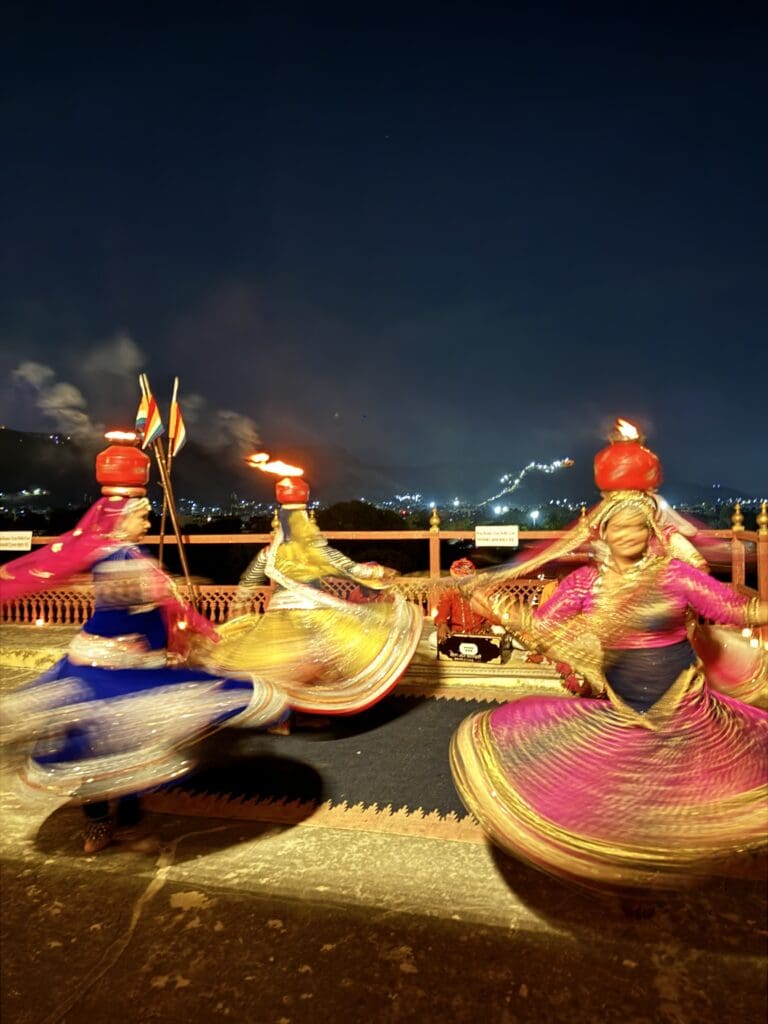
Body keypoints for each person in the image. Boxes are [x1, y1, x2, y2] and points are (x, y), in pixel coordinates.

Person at [451, 429, 768, 891]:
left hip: (686, 706)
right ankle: (636, 877)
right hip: (624, 708)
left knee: (686, 794)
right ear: (602, 531)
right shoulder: (583, 584)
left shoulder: (674, 574)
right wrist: (491, 605)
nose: (628, 535)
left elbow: (733, 608)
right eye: (618, 526)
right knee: (629, 801)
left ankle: (672, 868)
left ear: (651, 530)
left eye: (637, 526)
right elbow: (542, 631)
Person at [1, 455, 288, 854]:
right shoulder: (123, 561)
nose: (148, 523)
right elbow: (161, 611)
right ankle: (118, 826)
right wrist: (199, 636)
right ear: (121, 519)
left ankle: (101, 828)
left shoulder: (116, 556)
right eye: (142, 516)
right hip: (115, 671)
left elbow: (157, 608)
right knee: (124, 742)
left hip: (105, 665)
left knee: (105, 747)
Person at [207, 474, 422, 715]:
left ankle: (286, 716)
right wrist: (380, 571)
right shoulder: (313, 550)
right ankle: (315, 711)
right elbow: (347, 567)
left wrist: (241, 599)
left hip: (279, 618)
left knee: (279, 667)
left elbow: (249, 579)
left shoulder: (270, 553)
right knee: (331, 659)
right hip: (315, 615)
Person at [434, 559, 493, 644]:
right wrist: (442, 624)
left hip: (479, 632)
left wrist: (487, 623)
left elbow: (491, 612)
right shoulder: (449, 593)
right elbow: (442, 611)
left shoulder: (482, 592)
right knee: (433, 638)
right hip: (456, 633)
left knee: (499, 631)